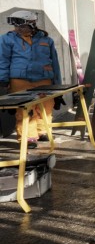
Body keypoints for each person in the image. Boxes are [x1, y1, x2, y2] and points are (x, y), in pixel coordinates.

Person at [0, 10, 62, 148]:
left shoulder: (46, 40)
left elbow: (55, 63)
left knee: (46, 107)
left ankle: (43, 131)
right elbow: (2, 60)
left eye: (22, 26)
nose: (18, 29)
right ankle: (28, 138)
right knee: (25, 110)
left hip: (44, 79)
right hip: (19, 80)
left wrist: (58, 84)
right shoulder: (6, 39)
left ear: (32, 24)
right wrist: (3, 79)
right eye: (16, 26)